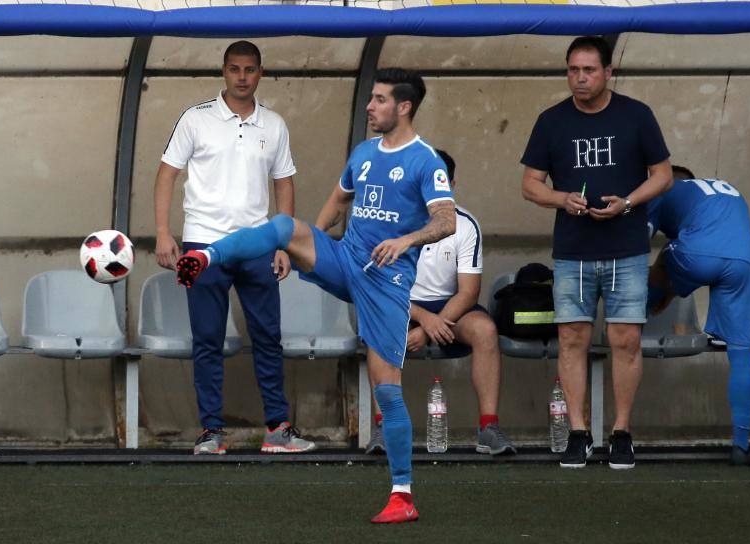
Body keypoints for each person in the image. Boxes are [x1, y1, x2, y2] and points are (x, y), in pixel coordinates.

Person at [175, 68, 456, 523]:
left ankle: (402, 495)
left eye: (380, 99)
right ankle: (207, 257)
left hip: (386, 285)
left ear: (404, 107)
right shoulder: (364, 153)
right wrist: (307, 245)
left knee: (386, 391)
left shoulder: (426, 161)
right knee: (285, 227)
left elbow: (447, 221)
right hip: (346, 261)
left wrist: (407, 241)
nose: (370, 106)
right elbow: (338, 202)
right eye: (371, 98)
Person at [154, 41, 315, 456]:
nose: (242, 77)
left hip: (259, 246)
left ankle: (278, 430)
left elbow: (284, 182)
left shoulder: (275, 124)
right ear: (223, 72)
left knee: (268, 337)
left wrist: (283, 242)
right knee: (207, 339)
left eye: (249, 70)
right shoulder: (195, 119)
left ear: (261, 73)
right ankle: (211, 432)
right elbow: (167, 174)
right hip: (202, 244)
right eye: (234, 69)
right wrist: (162, 232)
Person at [520, 35, 673, 469]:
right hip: (573, 251)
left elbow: (662, 176)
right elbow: (530, 185)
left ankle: (621, 432)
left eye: (589, 70)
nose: (580, 78)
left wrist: (627, 203)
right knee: (572, 339)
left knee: (626, 339)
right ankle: (579, 433)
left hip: (626, 247)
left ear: (608, 72)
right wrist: (562, 198)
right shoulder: (551, 121)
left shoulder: (636, 115)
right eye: (573, 70)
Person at [365, 149, 516, 456]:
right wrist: (424, 320)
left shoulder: (466, 224)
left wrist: (432, 326)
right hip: (400, 304)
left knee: (485, 331)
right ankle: (385, 428)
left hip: (451, 308)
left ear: (451, 184)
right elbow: (382, 288)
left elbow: (468, 293)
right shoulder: (388, 221)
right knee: (379, 331)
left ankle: (488, 428)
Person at [647, 166, 750, 466]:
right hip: (743, 260)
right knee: (741, 352)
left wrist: (664, 287)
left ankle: (636, 319)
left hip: (697, 255)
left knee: (661, 260)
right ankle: (741, 446)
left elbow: (636, 244)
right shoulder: (723, 187)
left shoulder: (659, 188)